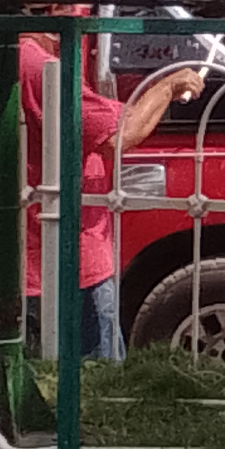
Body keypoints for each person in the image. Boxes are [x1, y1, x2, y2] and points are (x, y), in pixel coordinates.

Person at [25, 45, 205, 360]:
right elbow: (118, 135)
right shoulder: (39, 68)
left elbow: (99, 118)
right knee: (95, 375)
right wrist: (166, 87)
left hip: (24, 254)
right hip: (65, 255)